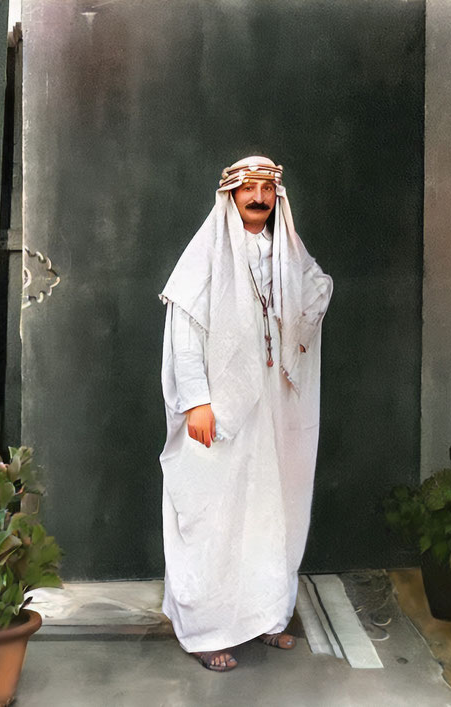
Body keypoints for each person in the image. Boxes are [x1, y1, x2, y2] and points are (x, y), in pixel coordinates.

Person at [158, 156, 333, 671]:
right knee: (216, 515)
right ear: (230, 195)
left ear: (276, 197)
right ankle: (208, 629)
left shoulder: (286, 251)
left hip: (274, 409)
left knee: (272, 511)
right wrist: (196, 401)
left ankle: (263, 618)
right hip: (220, 407)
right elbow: (185, 328)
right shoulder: (206, 254)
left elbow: (316, 286)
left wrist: (296, 326)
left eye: (265, 189)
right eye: (247, 188)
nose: (257, 197)